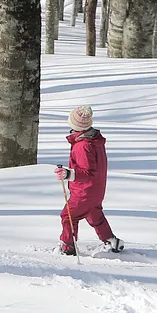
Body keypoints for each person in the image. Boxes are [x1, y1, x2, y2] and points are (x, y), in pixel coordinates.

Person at [55, 105, 123, 255]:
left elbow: (88, 172)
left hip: (84, 191)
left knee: (68, 215)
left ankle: (68, 246)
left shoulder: (83, 146)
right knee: (94, 214)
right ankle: (112, 241)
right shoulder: (94, 141)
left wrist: (68, 174)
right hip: (96, 190)